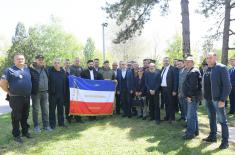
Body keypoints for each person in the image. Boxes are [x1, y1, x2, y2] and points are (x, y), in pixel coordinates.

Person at [0, 54, 32, 143]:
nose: (20, 60)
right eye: (18, 59)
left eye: (22, 59)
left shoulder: (26, 69)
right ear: (14, 61)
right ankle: (16, 135)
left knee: (25, 116)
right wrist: (8, 91)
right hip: (16, 98)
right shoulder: (9, 70)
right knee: (16, 117)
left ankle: (25, 132)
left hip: (26, 97)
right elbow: (2, 83)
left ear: (24, 60)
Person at [202, 52, 231, 149]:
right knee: (212, 118)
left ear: (215, 58)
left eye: (210, 58)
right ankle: (213, 136)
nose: (208, 60)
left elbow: (227, 86)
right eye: (207, 58)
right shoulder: (207, 69)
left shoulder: (221, 68)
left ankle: (225, 142)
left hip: (218, 99)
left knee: (222, 121)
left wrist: (223, 100)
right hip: (208, 99)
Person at [29, 55, 52, 133]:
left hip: (45, 92)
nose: (41, 61)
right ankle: (36, 126)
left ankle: (46, 126)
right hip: (36, 93)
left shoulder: (45, 69)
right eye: (39, 60)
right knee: (36, 110)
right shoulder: (31, 69)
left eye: (42, 59)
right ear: (36, 60)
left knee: (45, 110)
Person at [182, 56, 201, 140]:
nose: (186, 63)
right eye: (186, 62)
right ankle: (195, 131)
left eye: (189, 62)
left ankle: (190, 133)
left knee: (190, 116)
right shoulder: (191, 70)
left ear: (193, 63)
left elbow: (193, 86)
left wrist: (189, 96)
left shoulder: (193, 71)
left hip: (192, 96)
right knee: (193, 114)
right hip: (192, 96)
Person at [48, 58, 68, 129]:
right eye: (55, 63)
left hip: (61, 94)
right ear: (53, 64)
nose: (57, 64)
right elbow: (48, 83)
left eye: (58, 63)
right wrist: (50, 92)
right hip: (53, 95)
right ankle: (52, 124)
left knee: (61, 109)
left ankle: (61, 123)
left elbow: (66, 82)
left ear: (60, 64)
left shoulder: (63, 72)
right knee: (52, 110)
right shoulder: (50, 71)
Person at [160, 57, 178, 123]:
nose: (165, 62)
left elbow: (176, 80)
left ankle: (172, 118)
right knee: (166, 103)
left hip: (170, 89)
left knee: (171, 104)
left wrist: (174, 90)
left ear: (169, 61)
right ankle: (167, 116)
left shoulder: (173, 69)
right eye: (164, 61)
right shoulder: (163, 69)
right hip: (163, 89)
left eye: (167, 61)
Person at [69, 57, 83, 123]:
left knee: (78, 103)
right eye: (76, 61)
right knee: (72, 102)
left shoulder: (81, 68)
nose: (77, 62)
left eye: (78, 61)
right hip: (72, 88)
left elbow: (82, 77)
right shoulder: (70, 68)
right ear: (74, 61)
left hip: (79, 88)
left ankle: (78, 118)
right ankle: (70, 118)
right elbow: (70, 76)